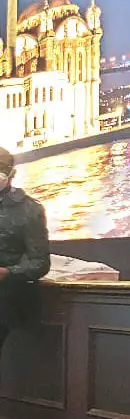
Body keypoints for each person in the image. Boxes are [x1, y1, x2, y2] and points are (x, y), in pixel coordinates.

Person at [0, 147, 50, 368]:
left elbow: (40, 262)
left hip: (6, 301)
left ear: (11, 173)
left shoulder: (29, 209)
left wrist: (7, 272)